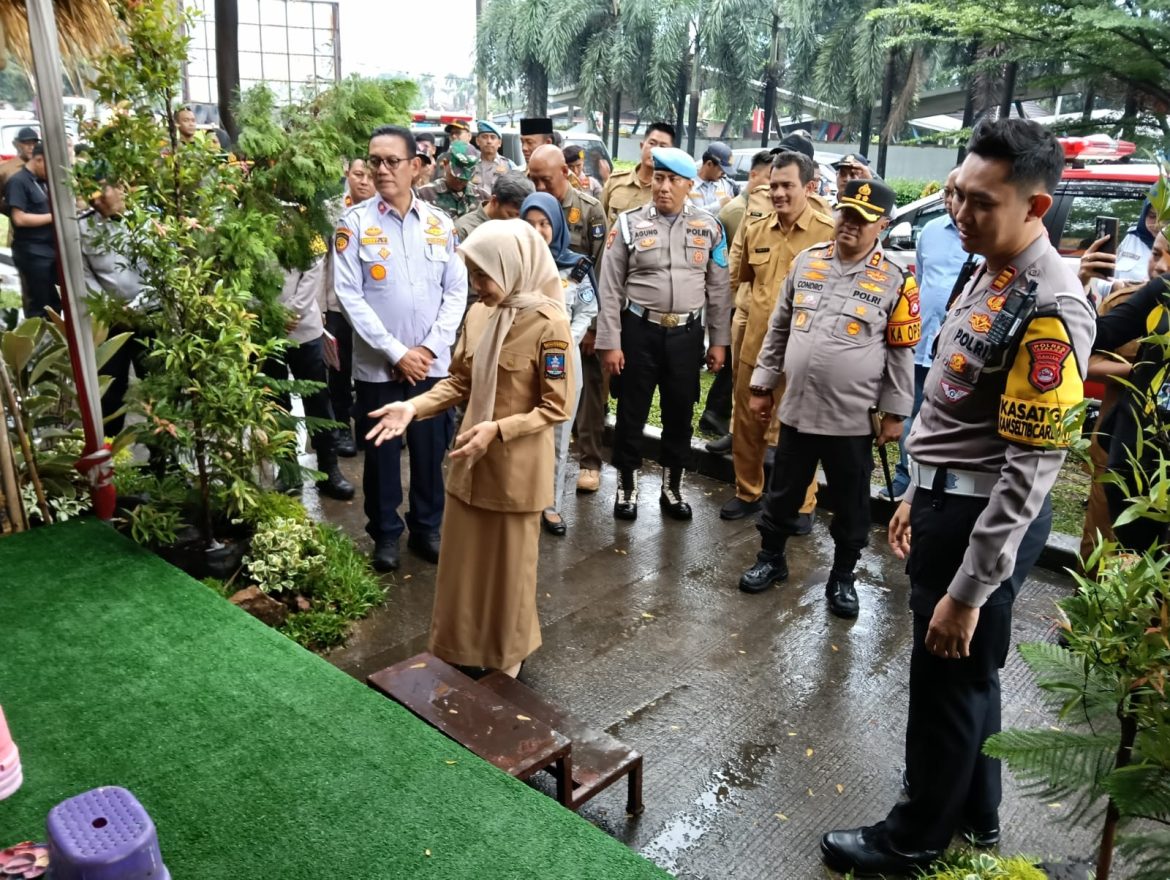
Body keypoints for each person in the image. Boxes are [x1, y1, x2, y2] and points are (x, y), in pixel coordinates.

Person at [820, 118, 1095, 876]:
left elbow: (1032, 468)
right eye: (955, 194)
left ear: (1035, 208)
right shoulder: (991, 266)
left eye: (981, 202)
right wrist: (914, 487)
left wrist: (971, 589)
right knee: (970, 677)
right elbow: (950, 407)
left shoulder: (1050, 304)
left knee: (944, 681)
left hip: (984, 520)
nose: (959, 213)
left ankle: (911, 838)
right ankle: (977, 813)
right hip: (947, 502)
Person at [365, 220, 574, 677]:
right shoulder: (480, 314)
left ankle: (506, 658)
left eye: (484, 276)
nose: (477, 287)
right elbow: (461, 381)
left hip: (515, 468)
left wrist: (497, 430)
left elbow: (556, 406)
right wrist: (412, 408)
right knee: (462, 569)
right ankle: (460, 647)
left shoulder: (549, 323)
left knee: (509, 574)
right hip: (468, 462)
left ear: (513, 267)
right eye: (473, 275)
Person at [738, 179, 916, 618]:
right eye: (846, 214)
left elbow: (900, 353)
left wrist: (895, 414)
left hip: (852, 420)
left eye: (862, 219)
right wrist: (761, 385)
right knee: (781, 494)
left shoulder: (896, 279)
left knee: (852, 505)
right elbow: (778, 330)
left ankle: (843, 577)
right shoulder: (807, 262)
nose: (850, 225)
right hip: (797, 409)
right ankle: (771, 559)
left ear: (884, 226)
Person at [333, 125, 468, 572]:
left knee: (431, 452)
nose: (382, 170)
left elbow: (456, 292)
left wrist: (428, 350)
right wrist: (396, 353)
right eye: (375, 161)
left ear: (415, 166)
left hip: (431, 367)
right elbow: (349, 297)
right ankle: (385, 534)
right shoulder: (354, 225)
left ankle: (427, 527)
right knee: (382, 456)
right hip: (380, 369)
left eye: (392, 161)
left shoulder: (440, 224)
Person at [596, 146, 731, 520]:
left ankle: (672, 488)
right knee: (631, 413)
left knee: (679, 411)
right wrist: (610, 341)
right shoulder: (627, 224)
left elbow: (719, 289)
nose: (664, 187)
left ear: (690, 185)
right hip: (639, 331)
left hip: (687, 335)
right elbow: (609, 287)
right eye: (658, 178)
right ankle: (626, 486)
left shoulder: (710, 227)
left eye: (673, 180)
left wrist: (719, 341)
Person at [720, 151, 836, 523]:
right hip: (756, 349)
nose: (779, 193)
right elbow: (742, 281)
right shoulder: (756, 230)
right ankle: (748, 491)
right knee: (748, 426)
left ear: (809, 187)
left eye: (788, 185)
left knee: (799, 432)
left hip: (805, 356)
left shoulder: (828, 232)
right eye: (774, 186)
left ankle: (802, 504)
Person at [1078, 225, 1168, 563]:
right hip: (1130, 455)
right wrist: (1079, 285)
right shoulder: (1155, 294)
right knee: (1110, 554)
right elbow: (1086, 339)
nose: (1160, 265)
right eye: (1156, 253)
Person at [886, 167, 970, 500]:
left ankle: (937, 482)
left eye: (958, 193)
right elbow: (921, 283)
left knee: (946, 419)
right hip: (922, 343)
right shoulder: (930, 232)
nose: (951, 200)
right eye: (947, 192)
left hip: (959, 350)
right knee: (911, 412)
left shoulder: (979, 235)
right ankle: (906, 475)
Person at [520, 191, 598, 536]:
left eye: (544, 223)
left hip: (563, 362)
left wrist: (567, 342)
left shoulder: (575, 266)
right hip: (521, 361)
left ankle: (550, 505)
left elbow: (587, 310)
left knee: (557, 433)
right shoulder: (514, 262)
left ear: (557, 225)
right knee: (520, 430)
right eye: (530, 223)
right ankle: (520, 499)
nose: (538, 231)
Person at [704, 150, 777, 454]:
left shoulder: (815, 216)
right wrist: (726, 307)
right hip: (747, 305)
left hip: (781, 313)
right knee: (741, 376)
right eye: (773, 178)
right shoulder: (746, 208)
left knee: (775, 381)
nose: (778, 188)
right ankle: (736, 433)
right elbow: (734, 259)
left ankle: (771, 443)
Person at [272, 254, 356, 501]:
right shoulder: (248, 219)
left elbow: (314, 265)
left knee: (318, 401)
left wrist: (290, 312)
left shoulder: (303, 218)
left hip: (304, 327)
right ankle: (288, 471)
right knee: (276, 403)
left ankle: (328, 470)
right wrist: (269, 313)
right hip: (264, 327)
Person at [320, 158, 377, 456]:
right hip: (337, 307)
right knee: (339, 372)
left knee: (369, 370)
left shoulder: (382, 209)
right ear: (347, 173)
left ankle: (369, 425)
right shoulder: (330, 211)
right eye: (358, 174)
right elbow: (321, 263)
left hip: (373, 308)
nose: (364, 181)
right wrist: (319, 308)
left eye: (369, 175)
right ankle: (341, 427)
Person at [81, 183, 148, 437]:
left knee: (157, 388)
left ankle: (163, 459)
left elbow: (161, 275)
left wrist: (135, 306)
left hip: (149, 316)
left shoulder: (146, 221)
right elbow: (85, 275)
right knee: (109, 391)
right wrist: (111, 308)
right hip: (110, 321)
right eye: (92, 195)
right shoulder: (83, 228)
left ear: (121, 188)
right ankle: (109, 452)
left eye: (102, 192)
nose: (96, 200)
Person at [6, 143, 58, 319]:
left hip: (51, 250)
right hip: (33, 252)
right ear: (38, 159)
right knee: (40, 302)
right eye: (48, 165)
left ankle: (57, 341)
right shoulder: (18, 182)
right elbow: (19, 219)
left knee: (55, 301)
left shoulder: (44, 181)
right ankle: (39, 343)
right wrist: (55, 217)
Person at [599, 122, 676, 225]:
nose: (656, 150)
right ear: (642, 145)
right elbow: (599, 221)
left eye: (663, 146)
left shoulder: (673, 191)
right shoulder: (615, 181)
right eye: (652, 143)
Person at [455, 171, 533, 244]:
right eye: (511, 215)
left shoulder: (522, 230)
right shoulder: (464, 229)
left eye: (522, 217)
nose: (517, 221)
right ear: (494, 201)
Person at [417, 141, 481, 220]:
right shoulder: (425, 194)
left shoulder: (482, 197)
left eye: (465, 179)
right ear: (445, 163)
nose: (460, 181)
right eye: (455, 176)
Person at [471, 120, 515, 200]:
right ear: (477, 141)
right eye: (484, 137)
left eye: (493, 137)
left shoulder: (509, 166)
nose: (489, 141)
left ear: (499, 143)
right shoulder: (469, 165)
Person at [689, 142, 740, 210]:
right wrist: (719, 205)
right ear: (709, 164)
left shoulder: (728, 186)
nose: (724, 174)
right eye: (722, 170)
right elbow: (691, 214)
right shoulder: (687, 185)